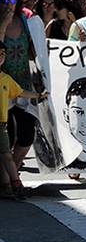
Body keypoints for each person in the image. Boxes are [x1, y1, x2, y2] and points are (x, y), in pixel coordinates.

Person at [0, 40, 47, 199]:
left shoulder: (5, 79)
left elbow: (20, 93)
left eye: (2, 54)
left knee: (6, 154)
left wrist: (38, 95)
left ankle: (15, 184)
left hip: (1, 125)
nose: (0, 57)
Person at [0, 0, 37, 174]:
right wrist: (3, 25)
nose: (8, 4)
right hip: (3, 87)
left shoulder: (25, 19)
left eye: (12, 0)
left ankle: (11, 172)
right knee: (7, 137)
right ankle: (11, 180)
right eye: (3, 0)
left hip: (23, 84)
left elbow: (36, 47)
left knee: (26, 135)